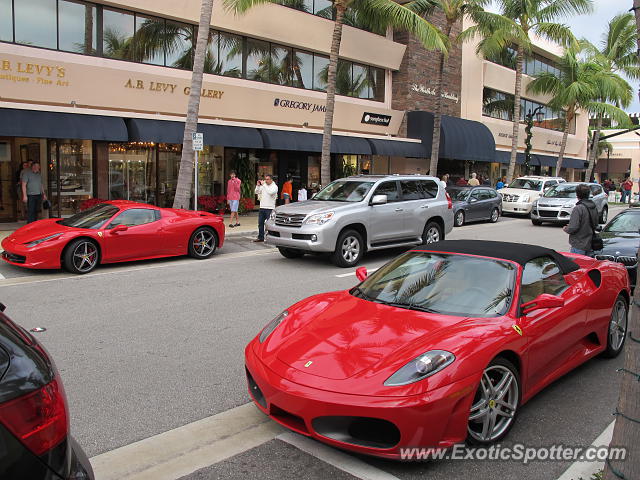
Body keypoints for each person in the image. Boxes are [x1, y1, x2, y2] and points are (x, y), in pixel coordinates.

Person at [563, 183, 598, 256]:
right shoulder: (593, 207)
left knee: (577, 265)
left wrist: (566, 228)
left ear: (577, 195)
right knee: (588, 266)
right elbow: (596, 224)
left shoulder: (578, 208)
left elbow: (573, 227)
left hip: (579, 244)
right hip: (590, 243)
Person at [254, 175, 278, 243]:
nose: (266, 180)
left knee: (269, 224)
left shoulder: (275, 187)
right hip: (262, 207)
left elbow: (270, 192)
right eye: (265, 179)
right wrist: (258, 186)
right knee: (260, 223)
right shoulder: (264, 186)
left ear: (271, 180)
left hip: (270, 208)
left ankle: (271, 238)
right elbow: (256, 192)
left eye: (267, 179)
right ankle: (260, 237)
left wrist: (264, 185)